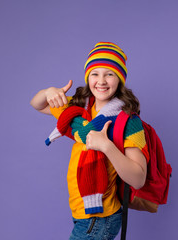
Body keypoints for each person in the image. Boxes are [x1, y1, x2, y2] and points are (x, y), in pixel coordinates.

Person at [30, 42, 149, 240]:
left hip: (100, 218)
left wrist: (106, 146)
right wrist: (48, 92)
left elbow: (139, 178)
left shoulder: (128, 120)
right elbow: (37, 104)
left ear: (119, 79)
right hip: (81, 213)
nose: (101, 81)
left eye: (109, 74)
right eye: (95, 73)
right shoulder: (78, 110)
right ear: (88, 77)